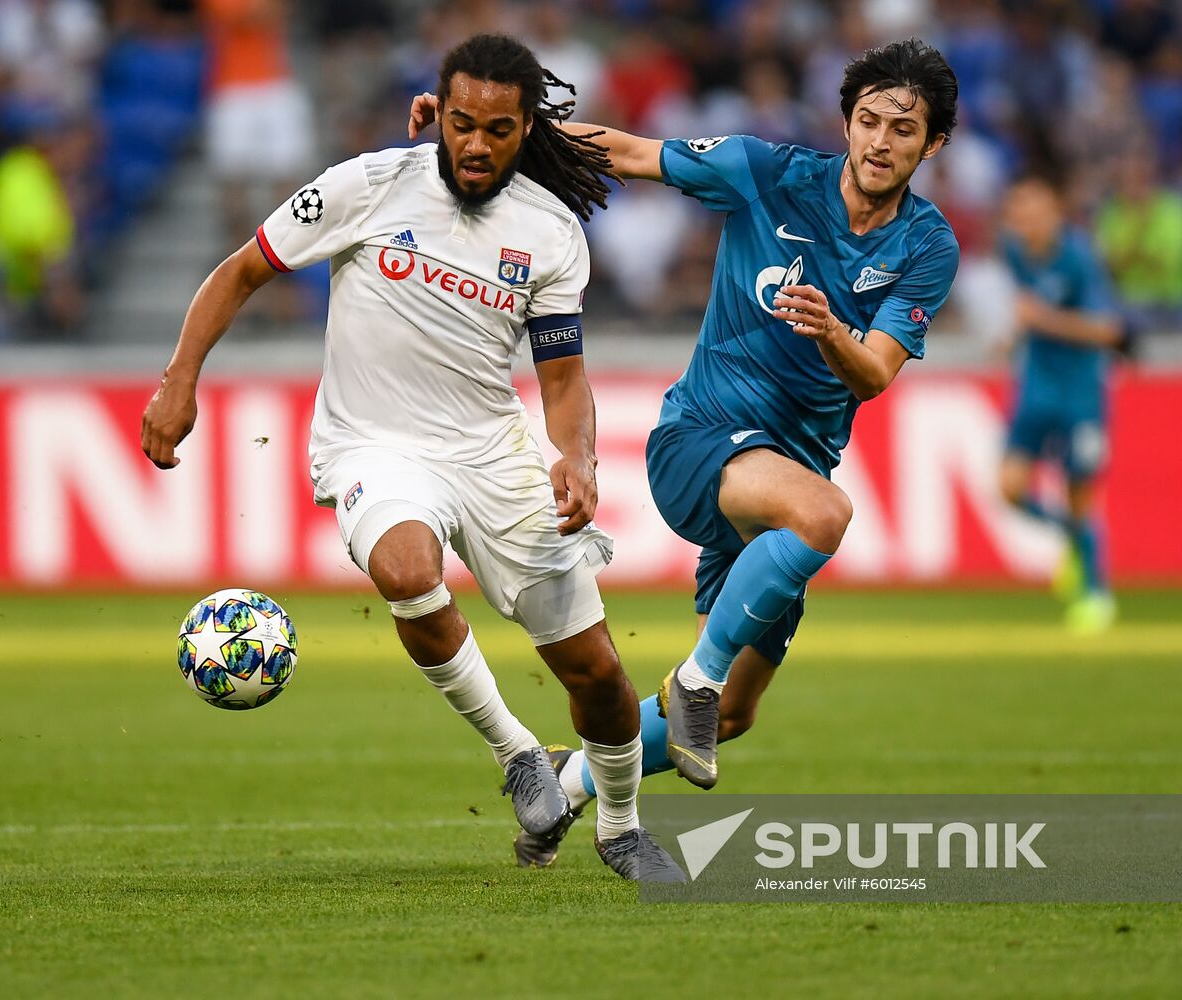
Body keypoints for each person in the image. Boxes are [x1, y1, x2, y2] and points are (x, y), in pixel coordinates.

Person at [143, 34, 683, 882]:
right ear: (436, 112)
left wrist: (576, 457)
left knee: (598, 674)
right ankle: (517, 755)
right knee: (405, 569)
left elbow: (563, 377)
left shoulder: (547, 232)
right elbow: (242, 270)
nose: (475, 144)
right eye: (461, 123)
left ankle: (618, 825)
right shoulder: (367, 184)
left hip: (490, 451)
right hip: (374, 442)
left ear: (524, 128)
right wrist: (179, 383)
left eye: (497, 130)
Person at [412, 37, 962, 867]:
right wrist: (501, 135)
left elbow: (877, 372)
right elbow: (630, 152)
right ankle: (693, 678)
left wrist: (829, 331)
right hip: (699, 439)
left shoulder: (926, 245)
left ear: (933, 146)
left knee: (734, 716)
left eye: (903, 130)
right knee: (824, 515)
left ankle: (566, 789)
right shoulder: (765, 172)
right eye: (868, 120)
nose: (881, 142)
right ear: (844, 121)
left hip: (777, 483)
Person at [997, 173, 1126, 633]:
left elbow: (1108, 331)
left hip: (1080, 392)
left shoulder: (1078, 259)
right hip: (1036, 386)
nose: (1023, 221)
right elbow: (1028, 306)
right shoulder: (1014, 251)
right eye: (1017, 212)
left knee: (1079, 495)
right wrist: (1015, 336)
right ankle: (1074, 542)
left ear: (1054, 212)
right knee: (1009, 488)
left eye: (1032, 211)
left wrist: (1042, 321)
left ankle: (1095, 594)